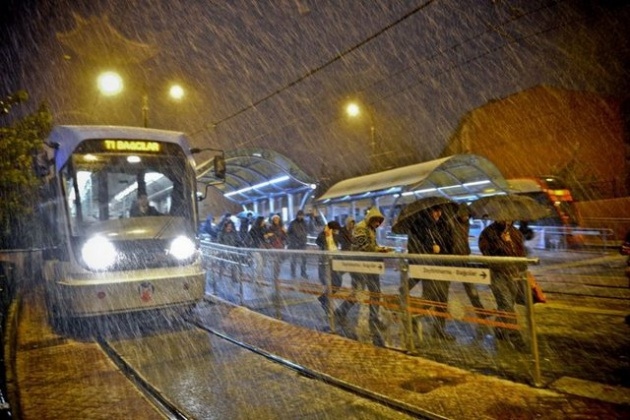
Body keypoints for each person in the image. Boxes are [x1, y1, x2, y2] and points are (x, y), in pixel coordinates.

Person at [334, 207, 390, 347]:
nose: (377, 224)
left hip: (371, 265)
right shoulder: (360, 227)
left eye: (379, 222)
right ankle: (340, 311)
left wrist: (379, 248)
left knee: (375, 293)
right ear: (371, 219)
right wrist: (380, 250)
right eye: (376, 221)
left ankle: (373, 318)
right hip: (360, 265)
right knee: (359, 293)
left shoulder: (371, 228)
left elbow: (372, 245)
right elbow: (363, 246)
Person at [404, 205, 455, 340]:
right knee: (430, 298)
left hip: (442, 268)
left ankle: (438, 330)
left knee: (442, 300)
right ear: (429, 211)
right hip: (427, 268)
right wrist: (428, 249)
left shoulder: (444, 225)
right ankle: (413, 317)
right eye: (435, 211)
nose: (438, 213)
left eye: (440, 210)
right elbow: (413, 247)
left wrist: (442, 251)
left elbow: (450, 244)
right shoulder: (418, 226)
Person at [478, 220, 528, 351]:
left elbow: (520, 251)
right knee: (506, 304)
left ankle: (500, 329)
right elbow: (486, 252)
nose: (506, 219)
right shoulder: (488, 233)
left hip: (512, 273)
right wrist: (501, 243)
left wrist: (522, 267)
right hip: (496, 273)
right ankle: (515, 338)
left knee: (507, 304)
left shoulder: (515, 232)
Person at [450, 205, 486, 315]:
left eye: (467, 215)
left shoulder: (466, 224)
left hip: (463, 257)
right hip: (451, 258)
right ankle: (431, 306)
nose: (466, 217)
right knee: (441, 284)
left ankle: (480, 311)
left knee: (469, 284)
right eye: (464, 215)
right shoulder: (452, 223)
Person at [315, 221, 342, 312]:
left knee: (338, 283)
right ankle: (328, 309)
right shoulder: (322, 235)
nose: (337, 232)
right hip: (325, 263)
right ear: (331, 229)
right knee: (328, 284)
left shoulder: (335, 235)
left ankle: (323, 298)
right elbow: (319, 242)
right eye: (335, 230)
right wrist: (327, 234)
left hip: (334, 262)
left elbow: (336, 246)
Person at [287, 210, 309, 278]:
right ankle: (293, 273)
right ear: (297, 215)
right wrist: (293, 240)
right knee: (294, 259)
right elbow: (289, 233)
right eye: (299, 215)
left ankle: (303, 272)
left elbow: (307, 231)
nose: (301, 216)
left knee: (304, 259)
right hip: (294, 244)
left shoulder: (304, 223)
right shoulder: (292, 223)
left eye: (302, 215)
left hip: (302, 243)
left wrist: (304, 238)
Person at [267, 214, 287, 279]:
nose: (276, 220)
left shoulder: (282, 227)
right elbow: (268, 236)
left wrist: (285, 232)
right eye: (275, 219)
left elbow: (285, 237)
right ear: (273, 220)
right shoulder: (270, 227)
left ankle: (276, 273)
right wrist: (272, 235)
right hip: (274, 246)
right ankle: (275, 275)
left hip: (280, 246)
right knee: (276, 261)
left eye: (277, 219)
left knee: (278, 261)